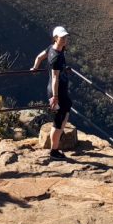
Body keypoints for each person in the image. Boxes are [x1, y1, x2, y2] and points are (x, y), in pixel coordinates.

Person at [31, 26, 72, 160]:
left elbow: (39, 57)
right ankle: (54, 151)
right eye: (62, 37)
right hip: (57, 92)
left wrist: (35, 67)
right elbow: (55, 77)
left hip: (59, 91)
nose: (65, 39)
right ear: (55, 38)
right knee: (58, 121)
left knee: (64, 113)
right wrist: (55, 97)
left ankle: (58, 135)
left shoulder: (52, 48)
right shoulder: (56, 57)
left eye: (66, 37)